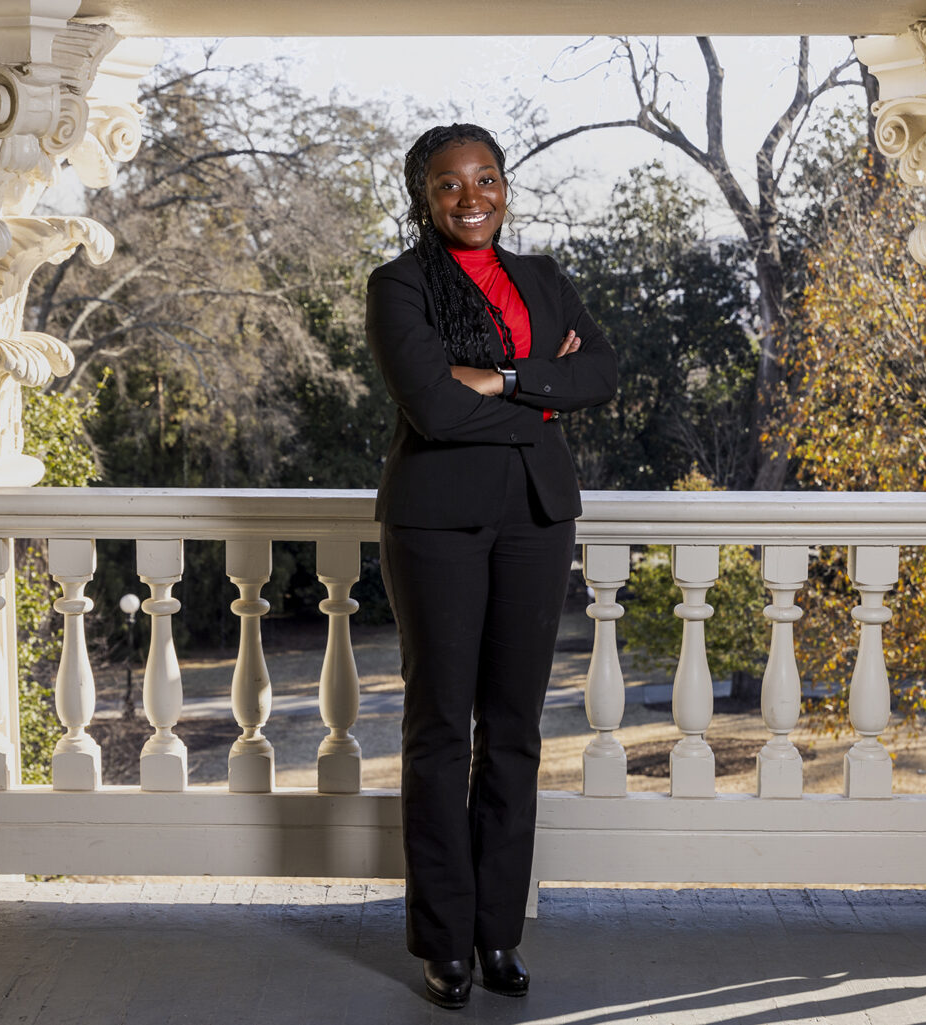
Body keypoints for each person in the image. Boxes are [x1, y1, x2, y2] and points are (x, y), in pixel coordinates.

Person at [365, 123, 617, 1010]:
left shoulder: (543, 278)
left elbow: (605, 373)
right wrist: (546, 388)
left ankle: (498, 934)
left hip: (538, 520)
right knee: (440, 730)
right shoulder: (398, 286)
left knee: (513, 731)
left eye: (487, 179)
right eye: (449, 184)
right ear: (422, 195)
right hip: (436, 523)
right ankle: (445, 944)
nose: (472, 198)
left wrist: (504, 380)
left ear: (506, 186)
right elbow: (432, 409)